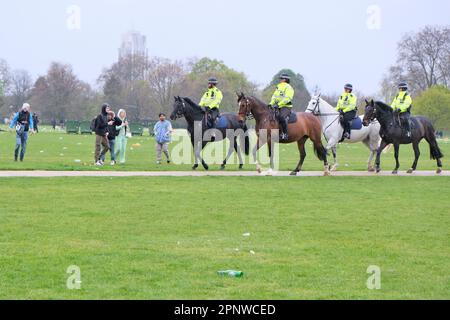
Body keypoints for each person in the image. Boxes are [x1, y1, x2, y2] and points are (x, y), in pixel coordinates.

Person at [269, 73, 295, 140]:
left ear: (285, 79)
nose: (280, 80)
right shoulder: (279, 86)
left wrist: (279, 104)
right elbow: (274, 96)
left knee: (281, 117)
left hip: (286, 106)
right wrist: (271, 103)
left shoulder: (289, 88)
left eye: (281, 79)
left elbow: (288, 98)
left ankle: (285, 134)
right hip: (277, 106)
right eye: (280, 79)